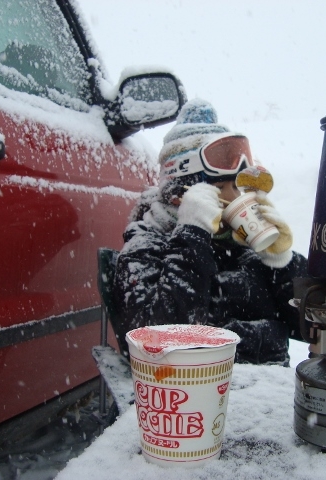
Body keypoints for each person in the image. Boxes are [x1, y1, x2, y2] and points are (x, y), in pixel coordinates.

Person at [113, 99, 307, 366]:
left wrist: (283, 263)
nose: (238, 198)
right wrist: (193, 234)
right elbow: (153, 344)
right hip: (189, 386)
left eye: (240, 187)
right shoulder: (145, 246)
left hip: (267, 386)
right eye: (223, 187)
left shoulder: (247, 249)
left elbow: (313, 327)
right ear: (182, 195)